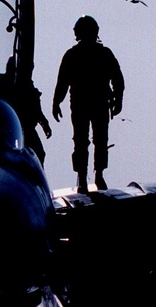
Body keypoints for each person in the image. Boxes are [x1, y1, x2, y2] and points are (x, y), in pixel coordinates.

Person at [52, 15, 125, 192]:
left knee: (87, 140)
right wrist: (56, 102)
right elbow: (63, 81)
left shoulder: (75, 55)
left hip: (85, 103)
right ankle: (91, 176)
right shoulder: (99, 54)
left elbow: (117, 79)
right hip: (90, 103)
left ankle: (89, 177)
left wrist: (56, 102)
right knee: (93, 140)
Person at [0, 56, 52, 164]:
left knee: (38, 154)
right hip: (6, 130)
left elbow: (36, 109)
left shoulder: (27, 86)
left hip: (26, 129)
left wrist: (44, 123)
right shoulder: (0, 86)